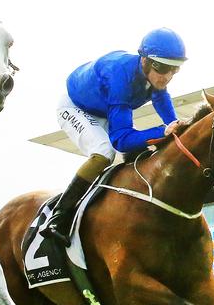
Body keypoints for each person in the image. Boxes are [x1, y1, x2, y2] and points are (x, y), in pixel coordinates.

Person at [40, 27, 187, 246]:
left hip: (104, 109)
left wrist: (174, 125)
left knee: (142, 152)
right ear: (144, 60)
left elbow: (161, 100)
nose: (167, 76)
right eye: (162, 67)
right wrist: (162, 131)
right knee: (104, 153)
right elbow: (121, 141)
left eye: (175, 69)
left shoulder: (152, 74)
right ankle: (58, 217)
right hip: (76, 107)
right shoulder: (120, 77)